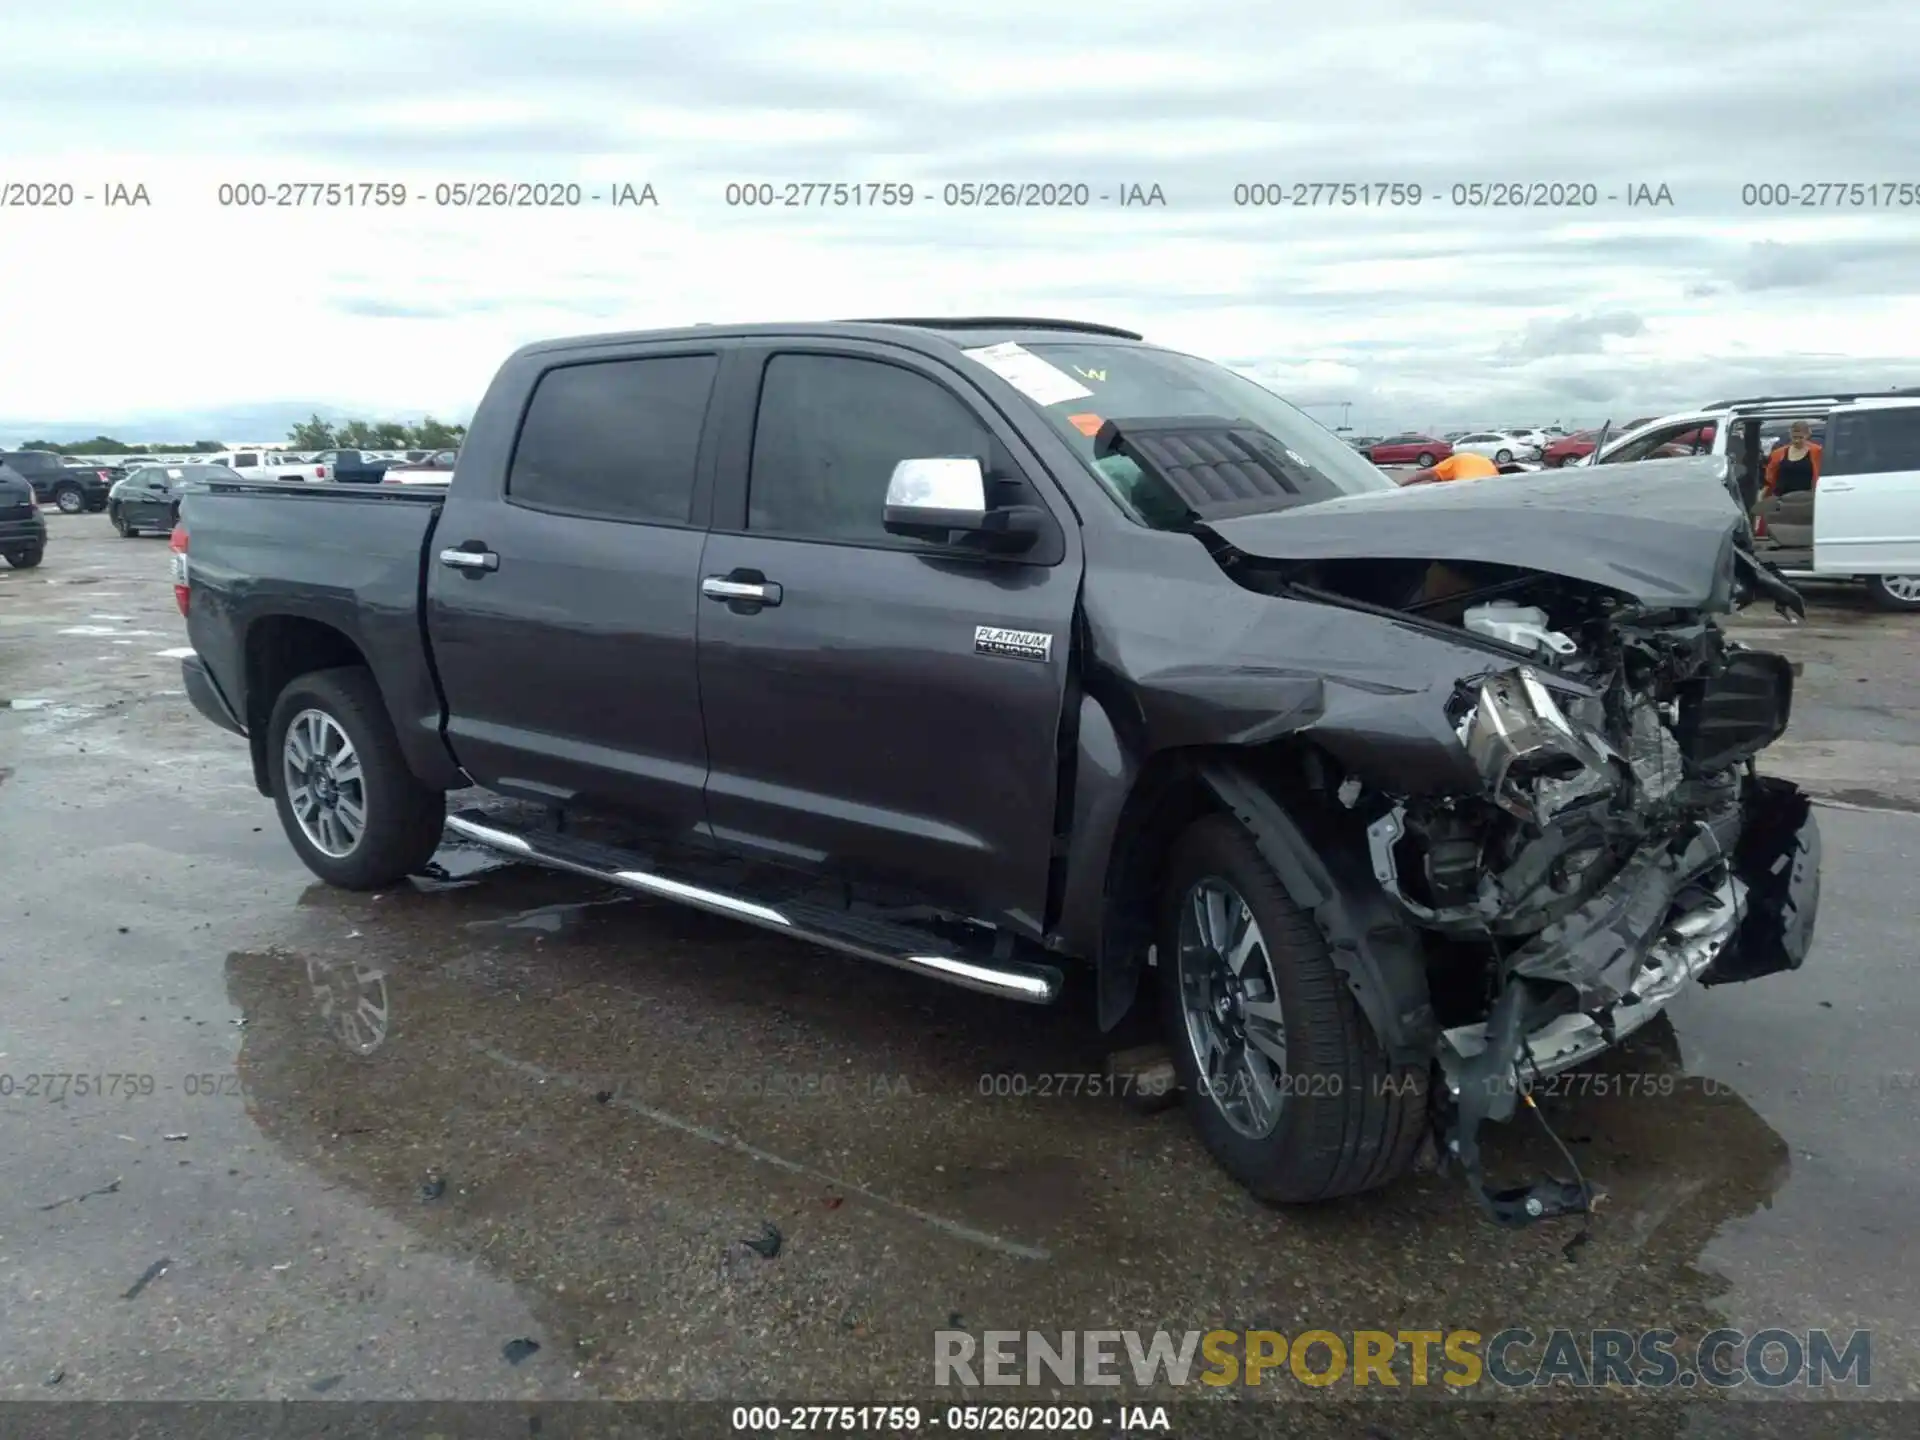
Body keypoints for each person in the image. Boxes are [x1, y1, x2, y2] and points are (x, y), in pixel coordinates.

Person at [1756, 420, 1821, 547]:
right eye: (1794, 437)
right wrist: (1762, 497)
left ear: (1808, 435)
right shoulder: (1778, 454)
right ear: (1790, 435)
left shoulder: (1817, 452)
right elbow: (1770, 478)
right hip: (1783, 500)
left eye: (1800, 437)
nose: (1797, 441)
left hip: (1807, 499)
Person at [1402, 451, 1499, 486]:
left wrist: (1402, 484)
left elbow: (1427, 473)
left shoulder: (1458, 458)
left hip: (1466, 489)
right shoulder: (1489, 464)